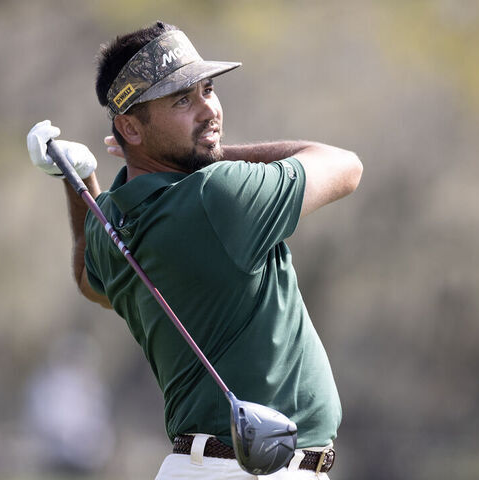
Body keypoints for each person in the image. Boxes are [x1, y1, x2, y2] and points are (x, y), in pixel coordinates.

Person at [27, 21, 362, 479]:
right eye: (182, 100)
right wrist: (218, 152)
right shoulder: (216, 196)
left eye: (207, 89)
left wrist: (80, 182)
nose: (208, 110)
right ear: (129, 127)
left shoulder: (116, 221)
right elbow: (345, 166)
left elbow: (92, 282)